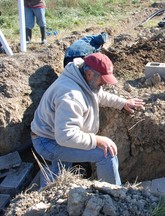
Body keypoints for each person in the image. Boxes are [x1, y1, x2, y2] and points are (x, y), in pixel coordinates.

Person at [31, 52, 145, 187]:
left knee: (61, 173)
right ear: (90, 74)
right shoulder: (70, 96)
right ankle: (114, 194)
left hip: (53, 135)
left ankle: (52, 187)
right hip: (48, 142)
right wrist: (97, 139)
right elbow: (65, 136)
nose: (104, 84)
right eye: (102, 81)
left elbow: (99, 95)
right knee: (106, 154)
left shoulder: (82, 78)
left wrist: (123, 103)